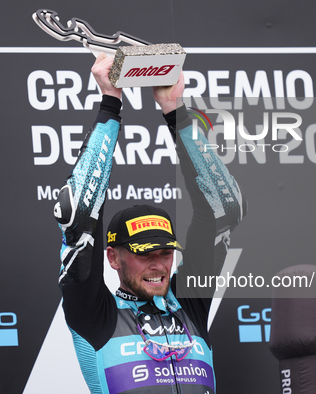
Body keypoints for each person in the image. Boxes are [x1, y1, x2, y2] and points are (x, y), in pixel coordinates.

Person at [53, 53, 245, 393]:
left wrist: (175, 109)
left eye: (165, 252)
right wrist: (111, 101)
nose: (158, 264)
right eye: (144, 253)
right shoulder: (94, 315)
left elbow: (224, 207)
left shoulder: (192, 304)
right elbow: (79, 213)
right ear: (113, 257)